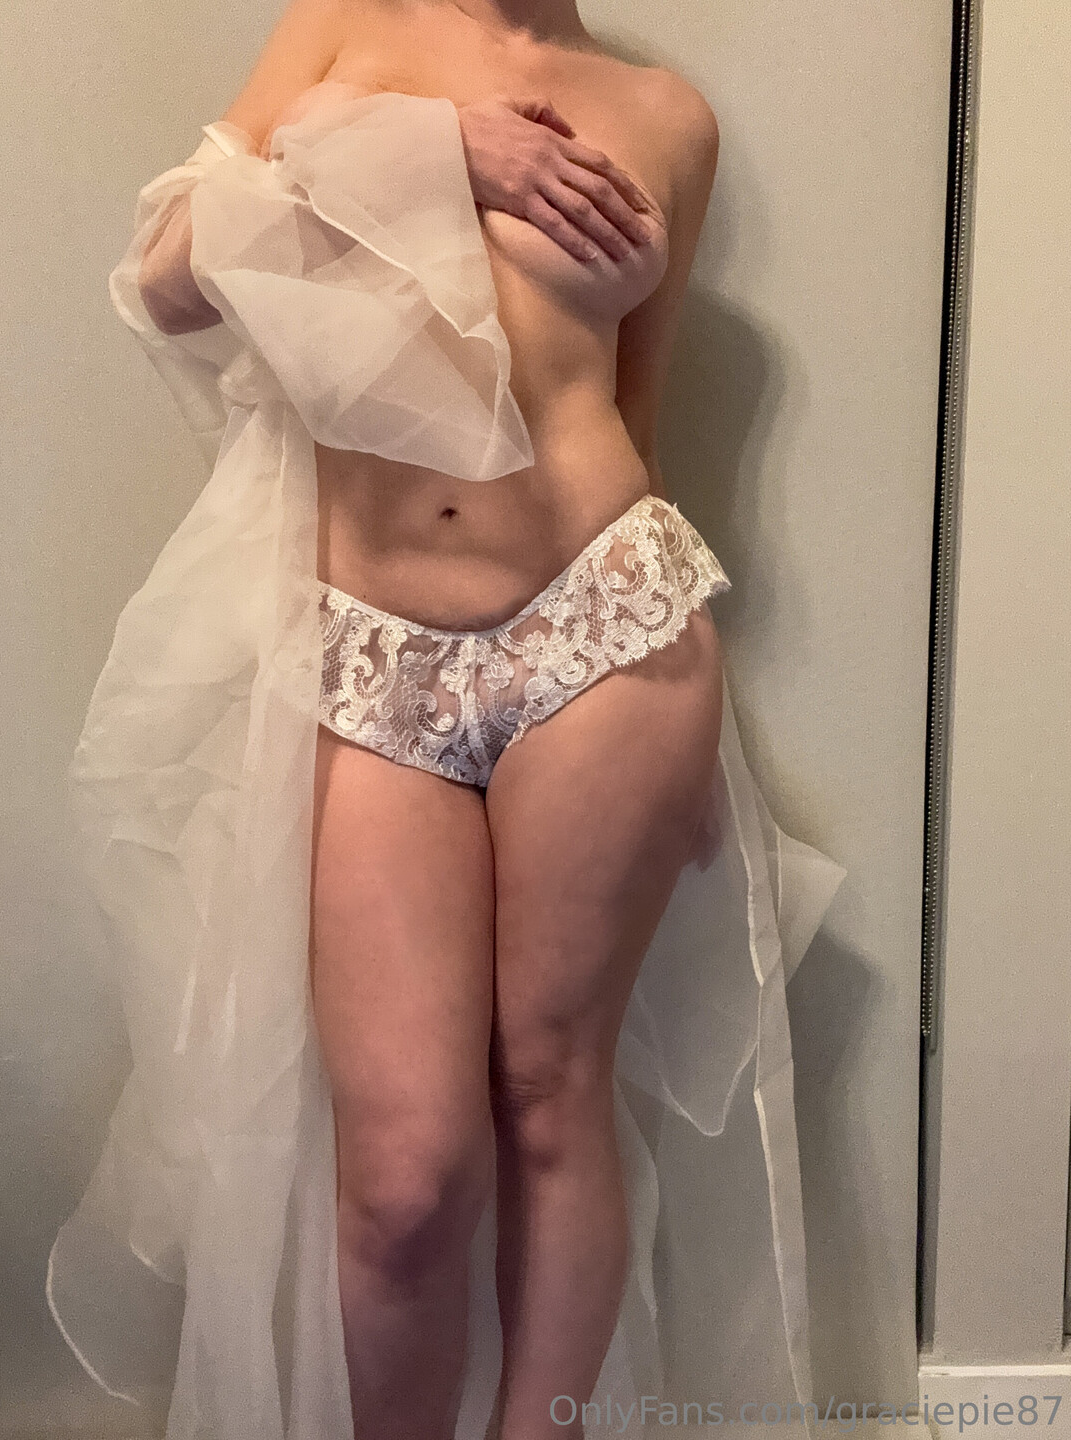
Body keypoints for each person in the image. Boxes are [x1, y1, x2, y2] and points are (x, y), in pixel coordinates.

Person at [45, 2, 847, 1438]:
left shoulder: (667, 118)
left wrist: (698, 756)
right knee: (407, 1173)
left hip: (606, 632)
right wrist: (436, 152)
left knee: (553, 1095)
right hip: (371, 653)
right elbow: (167, 276)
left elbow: (637, 408)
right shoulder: (344, 28)